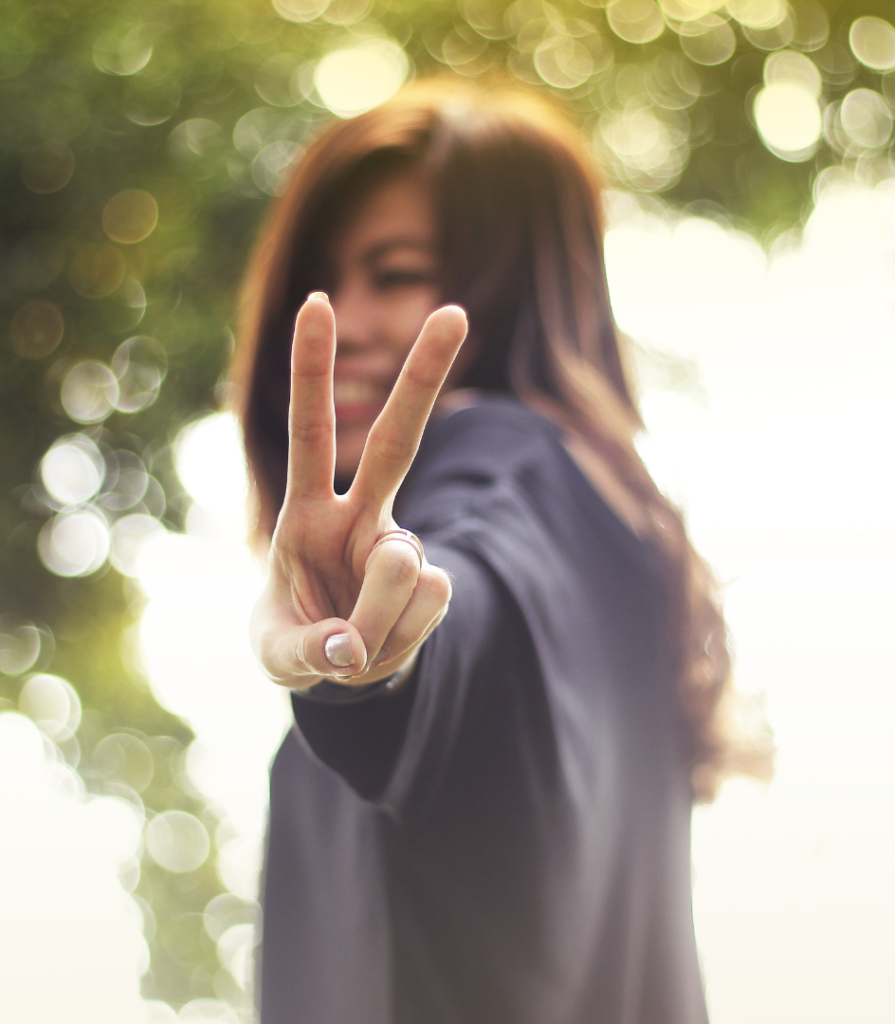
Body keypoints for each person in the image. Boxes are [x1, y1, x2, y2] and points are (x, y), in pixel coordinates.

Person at [234, 80, 772, 1024]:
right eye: (325, 281)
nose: (343, 320)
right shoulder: (627, 537)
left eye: (395, 274)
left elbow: (476, 591)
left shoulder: (499, 460)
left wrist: (386, 650)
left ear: (513, 288)